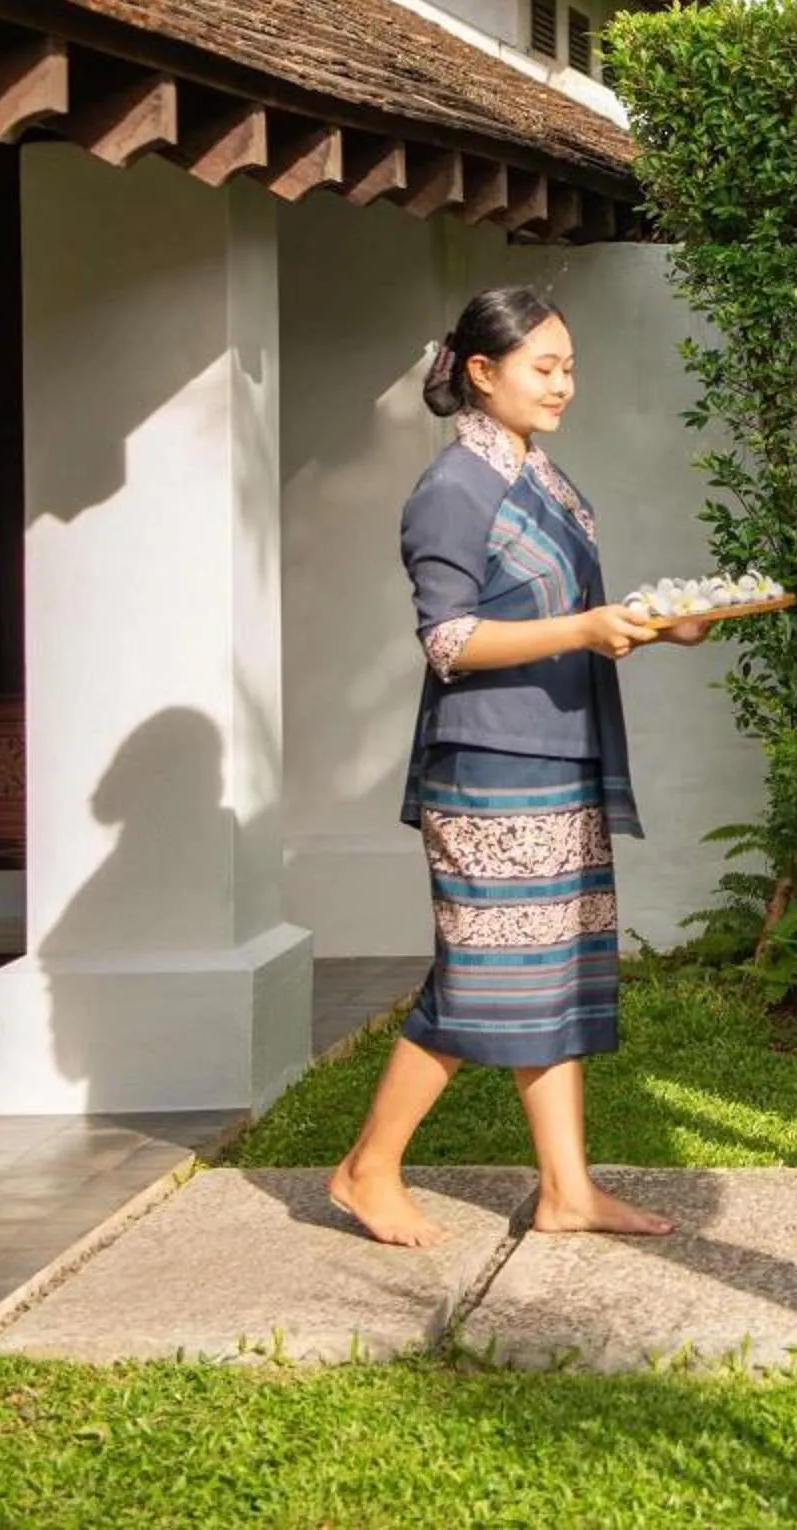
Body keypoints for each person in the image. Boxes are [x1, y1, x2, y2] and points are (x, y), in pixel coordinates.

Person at [328, 285, 708, 1246]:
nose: (564, 384)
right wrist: (585, 626)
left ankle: (567, 1192)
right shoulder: (453, 490)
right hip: (491, 765)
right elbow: (449, 640)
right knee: (487, 973)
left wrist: (653, 627)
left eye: (570, 366)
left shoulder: (540, 474)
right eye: (545, 367)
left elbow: (562, 617)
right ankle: (366, 1169)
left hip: (556, 752)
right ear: (482, 373)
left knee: (557, 971)